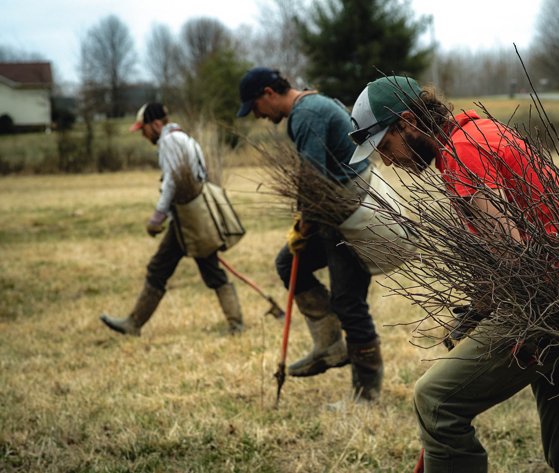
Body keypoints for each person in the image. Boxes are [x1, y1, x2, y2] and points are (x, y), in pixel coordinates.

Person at [348, 77, 559, 472]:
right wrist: (480, 307)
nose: (388, 161)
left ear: (408, 122)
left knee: (435, 399)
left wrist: (523, 328)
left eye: (385, 146)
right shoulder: (481, 131)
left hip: (550, 306)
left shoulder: (462, 155)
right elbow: (518, 234)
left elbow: (516, 256)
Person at [236, 67, 383, 401]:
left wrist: (304, 226)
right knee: (290, 264)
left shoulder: (306, 114)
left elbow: (313, 181)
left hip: (349, 213)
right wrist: (303, 225)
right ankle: (329, 346)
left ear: (268, 94)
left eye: (255, 107)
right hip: (336, 210)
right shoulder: (312, 105)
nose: (258, 116)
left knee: (349, 301)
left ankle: (367, 393)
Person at [100, 103, 243, 336]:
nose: (143, 135)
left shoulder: (169, 142)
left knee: (174, 268)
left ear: (156, 124)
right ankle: (134, 323)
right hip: (190, 216)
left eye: (143, 129)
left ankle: (134, 324)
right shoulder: (183, 138)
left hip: (190, 218)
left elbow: (172, 182)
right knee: (178, 268)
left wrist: (157, 216)